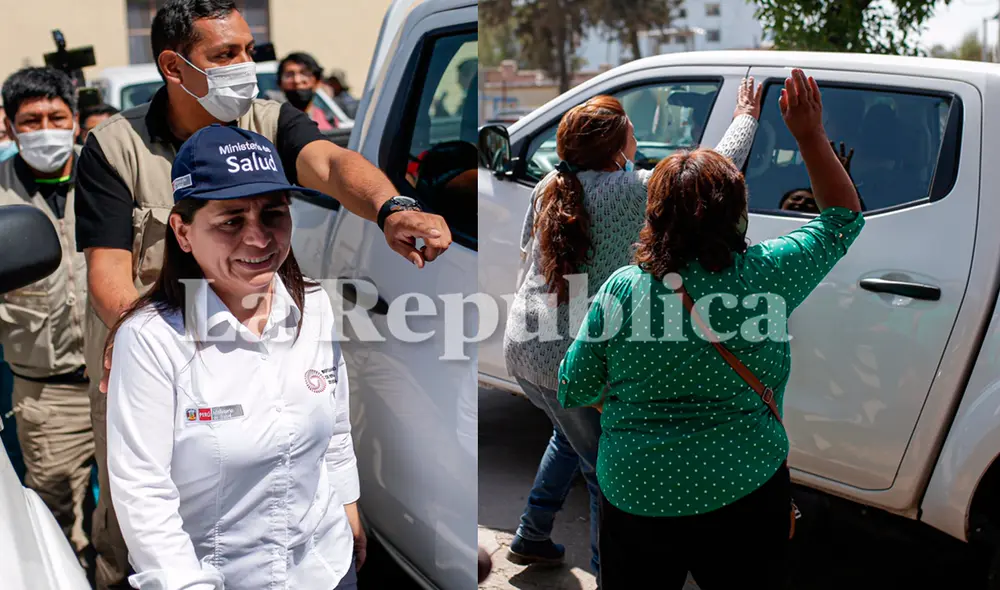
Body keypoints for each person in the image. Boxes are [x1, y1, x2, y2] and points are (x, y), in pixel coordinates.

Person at [73, 2, 450, 588]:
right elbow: (108, 272)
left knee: (285, 480)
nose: (247, 66)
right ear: (174, 67)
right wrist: (158, 348)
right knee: (140, 525)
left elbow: (330, 162)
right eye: (225, 55)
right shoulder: (115, 147)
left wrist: (391, 207)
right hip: (160, 368)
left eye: (249, 50)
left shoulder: (266, 122)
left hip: (264, 341)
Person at [557, 69, 865, 589]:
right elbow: (841, 220)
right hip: (745, 487)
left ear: (653, 214)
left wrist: (638, 410)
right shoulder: (768, 274)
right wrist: (809, 135)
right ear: (738, 212)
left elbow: (575, 386)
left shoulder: (623, 289)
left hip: (637, 492)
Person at [502, 78, 764, 575]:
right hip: (568, 353)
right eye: (632, 135)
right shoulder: (632, 189)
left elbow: (525, 259)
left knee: (570, 431)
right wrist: (746, 116)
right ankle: (610, 575)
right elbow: (707, 174)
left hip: (524, 348)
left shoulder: (548, 185)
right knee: (606, 474)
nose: (638, 143)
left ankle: (532, 535)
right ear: (615, 148)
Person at [105, 124, 362, 589]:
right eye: (231, 221)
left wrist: (349, 510)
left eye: (273, 215)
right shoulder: (150, 340)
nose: (259, 239)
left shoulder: (315, 306)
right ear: (182, 232)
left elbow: (336, 429)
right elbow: (143, 491)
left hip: (325, 568)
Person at [0, 66, 94, 565]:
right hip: (48, 393)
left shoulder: (107, 173)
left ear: (75, 121)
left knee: (139, 513)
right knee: (54, 522)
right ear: (9, 126)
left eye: (55, 117)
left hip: (124, 380)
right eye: (30, 120)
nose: (44, 129)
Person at [278, 51, 336, 131]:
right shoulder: (274, 122)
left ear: (317, 82)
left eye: (304, 73)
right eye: (289, 75)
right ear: (280, 83)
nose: (297, 80)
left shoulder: (329, 119)